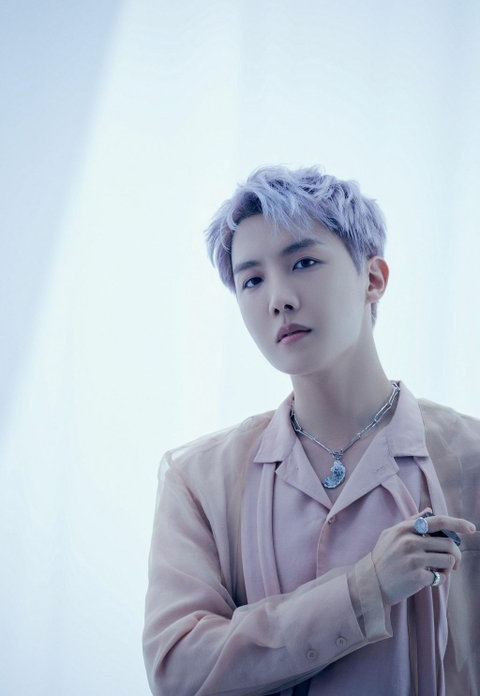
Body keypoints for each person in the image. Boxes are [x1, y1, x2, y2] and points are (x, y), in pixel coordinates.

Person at [143, 165, 480, 696]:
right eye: (252, 280)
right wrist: (365, 589)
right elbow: (178, 671)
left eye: (303, 262)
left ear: (373, 278)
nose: (278, 298)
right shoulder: (199, 479)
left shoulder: (470, 458)